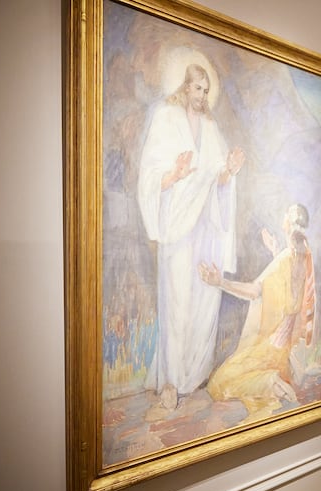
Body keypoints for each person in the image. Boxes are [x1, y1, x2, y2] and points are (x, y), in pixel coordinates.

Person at [137, 63, 246, 407]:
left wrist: (229, 171)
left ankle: (195, 374)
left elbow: (219, 178)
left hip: (205, 227)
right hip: (178, 225)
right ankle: (171, 381)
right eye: (197, 88)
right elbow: (150, 174)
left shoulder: (211, 128)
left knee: (203, 299)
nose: (201, 96)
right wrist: (175, 174)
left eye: (206, 90)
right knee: (177, 301)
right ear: (185, 87)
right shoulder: (165, 118)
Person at [199, 203, 315, 423]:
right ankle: (274, 381)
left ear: (287, 222)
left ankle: (271, 382)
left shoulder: (285, 259)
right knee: (229, 377)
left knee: (219, 384)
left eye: (286, 214)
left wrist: (219, 282)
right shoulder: (303, 256)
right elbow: (289, 296)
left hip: (269, 352)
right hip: (282, 352)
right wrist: (275, 252)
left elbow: (255, 291)